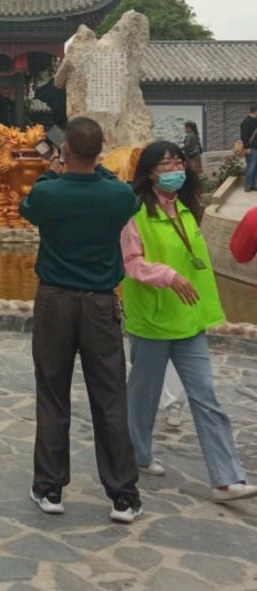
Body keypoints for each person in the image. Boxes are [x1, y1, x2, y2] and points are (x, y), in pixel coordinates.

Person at [18, 117, 142, 523]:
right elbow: (125, 193)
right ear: (100, 151)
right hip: (100, 304)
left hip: (54, 301)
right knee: (109, 397)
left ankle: (50, 488)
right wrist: (97, 165)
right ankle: (123, 495)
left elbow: (28, 208)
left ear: (65, 149)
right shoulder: (118, 195)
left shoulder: (48, 192)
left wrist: (57, 167)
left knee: (52, 393)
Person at [122, 140, 257, 502]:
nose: (175, 170)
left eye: (178, 162)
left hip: (188, 322)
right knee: (142, 398)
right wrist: (168, 275)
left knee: (206, 396)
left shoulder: (185, 208)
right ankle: (137, 456)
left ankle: (227, 478)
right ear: (150, 171)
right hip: (152, 321)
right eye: (166, 165)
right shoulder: (134, 212)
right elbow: (131, 262)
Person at [240, 105, 257, 191]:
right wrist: (247, 148)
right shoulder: (246, 122)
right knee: (251, 166)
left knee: (255, 167)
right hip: (251, 148)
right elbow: (244, 136)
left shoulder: (255, 121)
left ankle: (253, 184)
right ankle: (248, 185)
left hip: (255, 147)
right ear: (255, 111)